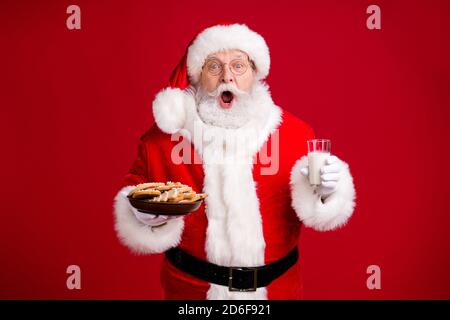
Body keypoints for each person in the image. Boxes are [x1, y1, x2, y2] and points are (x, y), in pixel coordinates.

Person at [113, 23, 356, 300]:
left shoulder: (296, 133)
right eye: (214, 67)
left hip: (277, 292)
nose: (227, 77)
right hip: (190, 293)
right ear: (197, 77)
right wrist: (140, 213)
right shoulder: (163, 140)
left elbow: (318, 206)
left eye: (238, 66)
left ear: (255, 72)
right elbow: (135, 188)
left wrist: (327, 196)